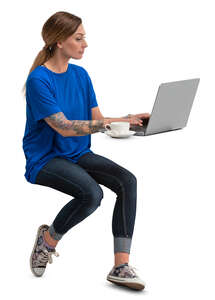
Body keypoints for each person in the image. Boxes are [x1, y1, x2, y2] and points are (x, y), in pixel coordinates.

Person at [22, 11, 150, 291]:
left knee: (127, 181)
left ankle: (121, 266)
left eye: (84, 38)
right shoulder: (38, 81)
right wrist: (105, 124)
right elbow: (64, 127)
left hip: (77, 153)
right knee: (92, 193)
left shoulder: (80, 75)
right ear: (58, 42)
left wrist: (129, 122)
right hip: (45, 159)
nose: (85, 44)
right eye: (78, 38)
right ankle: (48, 241)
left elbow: (97, 118)